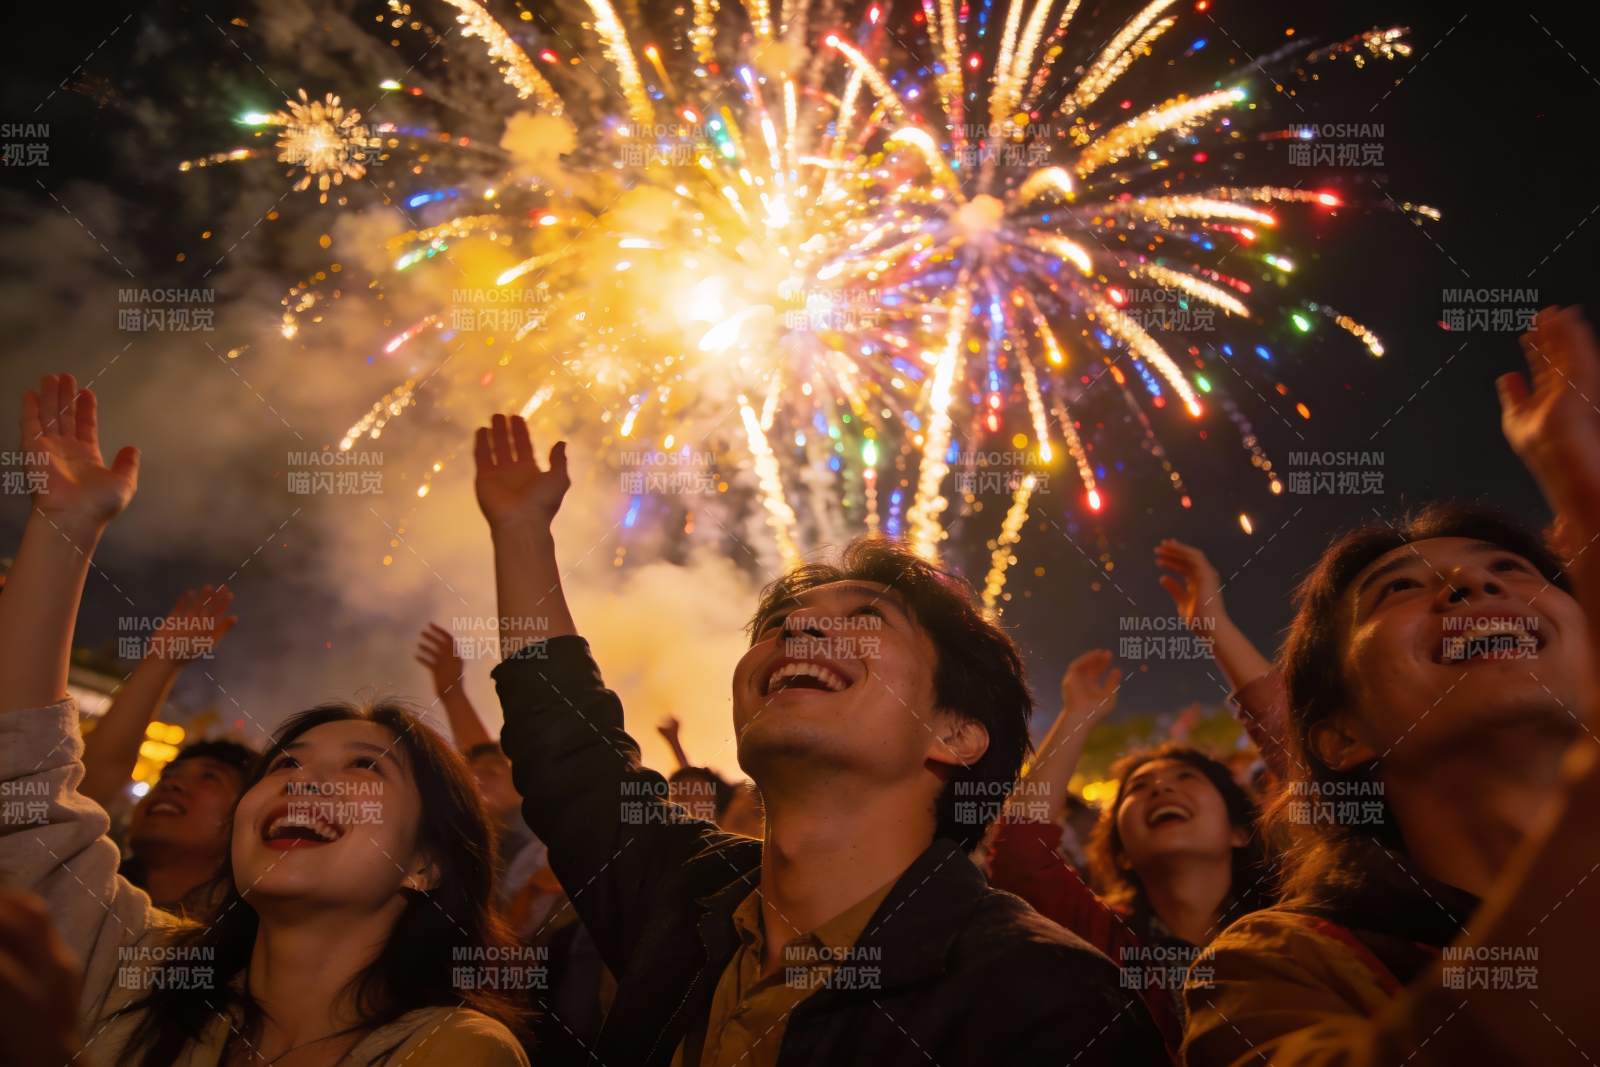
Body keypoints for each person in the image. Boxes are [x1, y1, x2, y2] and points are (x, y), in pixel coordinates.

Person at [473, 413, 1167, 1066]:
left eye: (865, 620)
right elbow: (568, 750)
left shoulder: (1048, 999)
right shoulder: (685, 901)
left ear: (956, 734)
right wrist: (523, 532)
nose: (798, 631)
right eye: (783, 623)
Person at [0, 373, 529, 1066]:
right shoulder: (135, 964)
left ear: (425, 864)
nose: (302, 781)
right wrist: (65, 527)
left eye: (364, 766)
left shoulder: (454, 1048)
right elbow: (26, 793)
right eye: (285, 762)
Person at [1183, 305, 1600, 1065]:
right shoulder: (1275, 969)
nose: (1472, 586)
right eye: (1398, 590)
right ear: (1341, 736)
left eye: (1513, 570)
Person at [987, 651, 1272, 1056]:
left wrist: (1214, 627)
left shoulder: (1290, 918)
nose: (1160, 789)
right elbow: (1019, 853)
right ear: (1121, 854)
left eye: (1185, 777)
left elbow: (1295, 747)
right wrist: (1079, 715)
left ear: (1240, 832)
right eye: (1138, 788)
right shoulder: (1105, 940)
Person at [118, 736, 257, 914]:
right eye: (166, 776)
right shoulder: (88, 882)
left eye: (210, 777)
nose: (170, 784)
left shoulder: (252, 933)